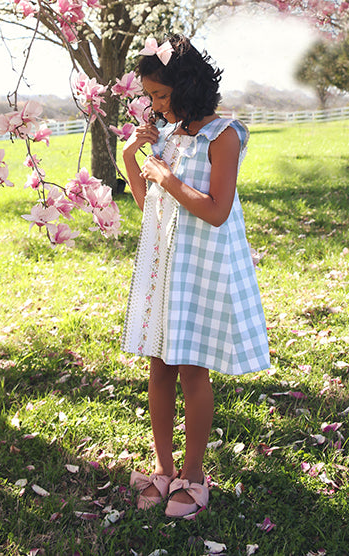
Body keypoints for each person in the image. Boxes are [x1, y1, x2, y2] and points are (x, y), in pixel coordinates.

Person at [121, 34, 270, 519]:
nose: (154, 105)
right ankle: (163, 469)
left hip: (202, 266)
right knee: (159, 366)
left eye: (161, 95)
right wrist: (132, 161)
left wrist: (168, 178)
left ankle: (194, 475)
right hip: (166, 261)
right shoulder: (167, 134)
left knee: (191, 370)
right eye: (149, 96)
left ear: (187, 86)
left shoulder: (223, 134)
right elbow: (151, 210)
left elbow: (217, 211)